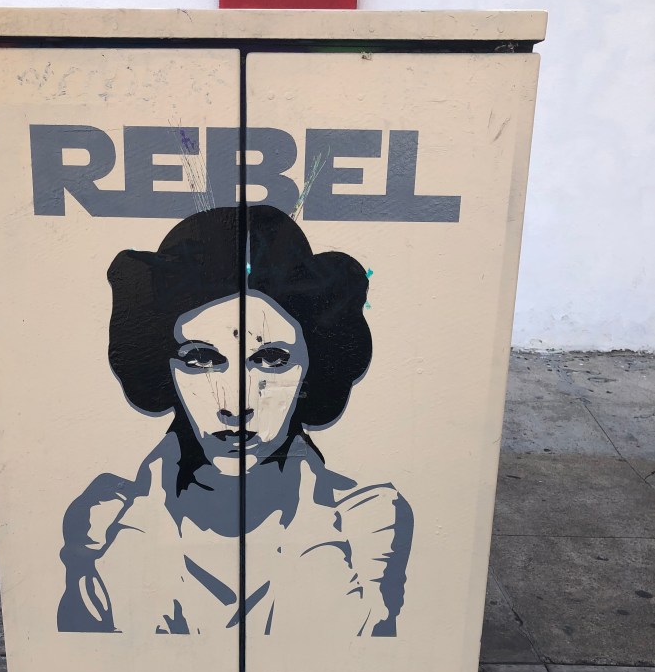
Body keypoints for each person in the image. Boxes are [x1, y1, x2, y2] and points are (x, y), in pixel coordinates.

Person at [58, 205, 412, 640]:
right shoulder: (104, 523)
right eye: (201, 359)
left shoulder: (367, 523)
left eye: (271, 359)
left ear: (312, 368)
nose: (236, 405)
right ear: (162, 369)